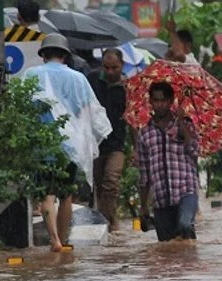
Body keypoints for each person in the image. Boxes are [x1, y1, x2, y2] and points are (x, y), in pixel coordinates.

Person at [23, 33, 112, 251]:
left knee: (46, 194)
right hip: (70, 146)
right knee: (66, 196)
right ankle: (62, 240)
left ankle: (53, 239)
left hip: (42, 145)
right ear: (65, 55)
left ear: (44, 54)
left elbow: (22, 108)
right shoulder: (78, 79)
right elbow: (87, 110)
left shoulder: (31, 74)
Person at [137, 82, 201, 242]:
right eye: (156, 100)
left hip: (186, 190)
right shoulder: (145, 133)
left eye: (164, 100)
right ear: (150, 101)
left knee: (185, 226)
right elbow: (144, 173)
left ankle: (191, 262)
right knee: (166, 248)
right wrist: (143, 205)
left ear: (171, 101)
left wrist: (181, 123)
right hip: (161, 198)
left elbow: (195, 151)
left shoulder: (186, 124)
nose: (160, 105)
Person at [88, 49, 128, 232]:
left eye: (115, 68)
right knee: (98, 184)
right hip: (95, 142)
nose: (110, 72)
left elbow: (133, 118)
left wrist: (137, 148)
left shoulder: (128, 87)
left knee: (111, 181)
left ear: (122, 66)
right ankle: (110, 220)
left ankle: (104, 222)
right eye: (107, 67)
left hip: (117, 145)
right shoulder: (93, 80)